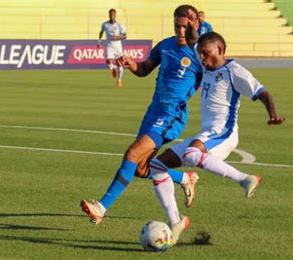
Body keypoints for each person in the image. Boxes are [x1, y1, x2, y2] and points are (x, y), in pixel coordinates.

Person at [148, 31, 285, 245]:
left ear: (220, 50)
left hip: (224, 132)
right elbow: (195, 40)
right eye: (201, 53)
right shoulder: (206, 65)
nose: (202, 57)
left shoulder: (235, 71)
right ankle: (176, 221)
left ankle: (244, 179)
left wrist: (273, 114)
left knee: (192, 153)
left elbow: (263, 93)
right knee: (156, 166)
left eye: (206, 53)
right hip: (206, 133)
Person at [81, 5, 202, 245]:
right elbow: (145, 69)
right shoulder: (165, 45)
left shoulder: (200, 53)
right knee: (141, 168)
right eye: (176, 25)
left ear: (194, 25)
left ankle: (101, 208)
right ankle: (184, 178)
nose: (179, 30)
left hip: (171, 116)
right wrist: (130, 64)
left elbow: (218, 73)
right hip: (153, 112)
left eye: (184, 26)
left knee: (132, 153)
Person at [98, 8, 127, 87]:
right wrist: (99, 41)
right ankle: (113, 68)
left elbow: (125, 36)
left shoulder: (119, 25)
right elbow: (101, 31)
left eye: (113, 14)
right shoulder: (105, 24)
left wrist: (117, 37)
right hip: (109, 46)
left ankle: (119, 80)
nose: (112, 16)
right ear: (109, 15)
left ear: (115, 15)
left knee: (120, 65)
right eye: (111, 14)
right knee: (109, 63)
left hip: (118, 47)